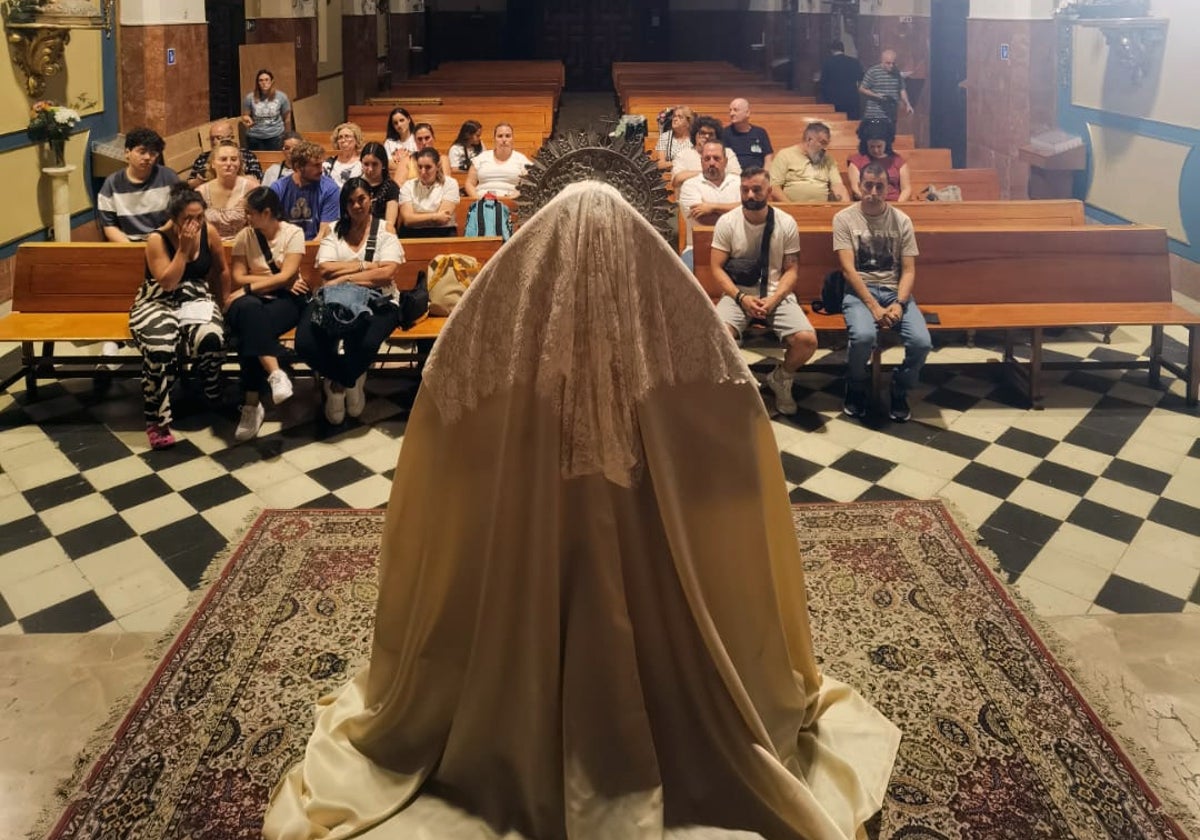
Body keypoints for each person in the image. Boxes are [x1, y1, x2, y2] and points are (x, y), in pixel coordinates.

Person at [262, 180, 899, 840]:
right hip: (637, 516)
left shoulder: (516, 306)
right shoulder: (663, 310)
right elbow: (726, 396)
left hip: (537, 526)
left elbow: (450, 383)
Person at [128, 183, 230, 450]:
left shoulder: (210, 233)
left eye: (199, 217)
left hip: (195, 299)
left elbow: (221, 270)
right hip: (158, 300)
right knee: (159, 347)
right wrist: (183, 250)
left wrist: (224, 303)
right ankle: (157, 419)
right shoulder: (157, 240)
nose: (194, 224)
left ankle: (211, 385)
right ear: (174, 218)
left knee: (212, 336)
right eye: (188, 218)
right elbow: (167, 282)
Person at [297, 178, 404, 425]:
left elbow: (386, 274)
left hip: (379, 300)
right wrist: (366, 266)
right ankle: (349, 377)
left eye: (361, 199)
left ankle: (337, 386)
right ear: (344, 205)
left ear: (371, 200)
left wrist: (344, 276)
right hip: (333, 298)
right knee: (306, 343)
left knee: (365, 343)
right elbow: (324, 268)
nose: (356, 206)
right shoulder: (335, 230)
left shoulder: (385, 230)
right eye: (350, 201)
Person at [711, 168, 817, 416]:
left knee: (806, 341)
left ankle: (781, 377)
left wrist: (775, 298)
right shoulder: (727, 222)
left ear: (769, 191)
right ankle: (740, 384)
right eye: (745, 189)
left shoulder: (785, 222)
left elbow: (791, 270)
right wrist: (741, 297)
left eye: (756, 189)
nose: (750, 194)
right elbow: (716, 268)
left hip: (775, 293)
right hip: (738, 294)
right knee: (718, 337)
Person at [834, 161, 931, 422]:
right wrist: (873, 307)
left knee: (922, 342)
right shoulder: (844, 218)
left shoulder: (901, 220)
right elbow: (848, 270)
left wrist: (899, 303)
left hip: (894, 292)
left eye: (880, 186)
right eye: (868, 185)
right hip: (858, 292)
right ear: (859, 186)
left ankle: (900, 387)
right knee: (864, 337)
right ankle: (855, 385)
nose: (873, 192)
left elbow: (909, 270)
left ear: (888, 188)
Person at [225, 187, 308, 442]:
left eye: (250, 213)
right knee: (249, 311)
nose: (246, 217)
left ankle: (251, 404)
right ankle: (275, 374)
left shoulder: (293, 233)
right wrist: (275, 280)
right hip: (252, 301)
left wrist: (251, 285)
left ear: (267, 212)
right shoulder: (244, 236)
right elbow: (237, 276)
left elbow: (287, 277)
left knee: (248, 329)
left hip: (286, 301)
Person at [97, 127, 180, 242]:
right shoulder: (112, 184)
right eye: (142, 152)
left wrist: (157, 238)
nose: (147, 157)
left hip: (163, 240)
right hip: (128, 244)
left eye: (153, 153)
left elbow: (179, 214)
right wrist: (131, 249)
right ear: (127, 153)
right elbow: (109, 226)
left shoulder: (169, 178)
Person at [677, 138, 739, 254]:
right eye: (707, 158)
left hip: (736, 248)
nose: (711, 163)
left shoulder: (739, 183)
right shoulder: (689, 185)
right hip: (698, 248)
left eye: (716, 158)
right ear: (701, 161)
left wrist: (712, 207)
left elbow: (751, 211)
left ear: (725, 161)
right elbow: (704, 220)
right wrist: (737, 213)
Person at [269, 140, 340, 241]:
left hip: (317, 247)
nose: (321, 170)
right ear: (298, 167)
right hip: (285, 246)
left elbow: (324, 233)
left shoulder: (330, 189)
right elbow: (273, 227)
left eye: (321, 164)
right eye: (316, 165)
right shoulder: (279, 188)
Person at [769, 122, 850, 203]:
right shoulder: (785, 155)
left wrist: (845, 208)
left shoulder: (828, 159)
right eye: (822, 143)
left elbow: (838, 186)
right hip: (790, 208)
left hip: (823, 209)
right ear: (809, 140)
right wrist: (792, 207)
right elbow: (774, 188)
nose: (825, 148)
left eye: (826, 144)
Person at [197, 139, 254, 239]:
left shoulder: (251, 188)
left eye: (233, 159)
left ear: (239, 163)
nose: (229, 163)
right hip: (211, 246)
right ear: (213, 164)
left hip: (244, 245)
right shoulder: (201, 192)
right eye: (223, 159)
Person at [398, 148, 459, 238]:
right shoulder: (408, 185)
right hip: (412, 233)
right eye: (420, 167)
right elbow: (407, 219)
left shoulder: (450, 183)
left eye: (428, 167)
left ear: (438, 166)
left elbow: (443, 219)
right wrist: (434, 216)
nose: (423, 172)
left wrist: (416, 217)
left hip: (443, 232)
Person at [670, 115, 741, 189]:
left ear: (716, 137)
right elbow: (677, 180)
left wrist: (695, 175)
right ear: (695, 135)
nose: (707, 136)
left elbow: (736, 176)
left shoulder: (727, 153)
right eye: (702, 133)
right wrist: (709, 174)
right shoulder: (682, 155)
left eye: (711, 134)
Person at [187, 119, 263, 187]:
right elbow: (189, 183)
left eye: (218, 138)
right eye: (212, 139)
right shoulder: (202, 158)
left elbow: (257, 180)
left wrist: (228, 179)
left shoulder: (247, 155)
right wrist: (198, 181)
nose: (214, 142)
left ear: (230, 137)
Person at [464, 122, 531, 199]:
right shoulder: (481, 158)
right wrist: (477, 199)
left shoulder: (521, 159)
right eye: (500, 136)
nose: (504, 139)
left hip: (510, 201)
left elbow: (529, 184)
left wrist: (513, 197)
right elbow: (469, 183)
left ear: (512, 138)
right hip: (482, 200)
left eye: (508, 136)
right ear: (494, 139)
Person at [848, 124, 911, 202]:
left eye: (879, 146)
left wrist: (898, 205)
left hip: (894, 203)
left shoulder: (898, 160)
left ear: (886, 144)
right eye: (872, 146)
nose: (876, 150)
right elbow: (856, 189)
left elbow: (906, 189)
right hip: (868, 202)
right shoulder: (857, 161)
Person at [241, 68, 293, 151]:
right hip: (255, 136)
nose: (264, 83)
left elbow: (287, 118)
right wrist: (246, 119)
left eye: (266, 80)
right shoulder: (250, 97)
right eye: (261, 80)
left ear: (272, 81)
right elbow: (245, 115)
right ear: (257, 83)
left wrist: (288, 136)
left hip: (275, 136)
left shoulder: (281, 97)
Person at [859, 49, 914, 125]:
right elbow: (862, 88)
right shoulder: (873, 71)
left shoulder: (896, 73)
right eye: (888, 63)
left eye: (893, 63)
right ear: (882, 61)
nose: (891, 66)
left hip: (891, 114)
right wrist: (876, 95)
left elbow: (902, 90)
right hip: (875, 114)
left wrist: (908, 104)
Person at [721, 97, 774, 170]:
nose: (731, 113)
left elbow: (768, 157)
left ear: (747, 113)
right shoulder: (724, 133)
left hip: (758, 175)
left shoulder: (760, 132)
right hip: (735, 176)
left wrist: (765, 175)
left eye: (735, 110)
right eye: (730, 110)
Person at [359, 141, 399, 235]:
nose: (370, 169)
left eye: (375, 164)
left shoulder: (391, 187)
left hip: (382, 234)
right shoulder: (354, 186)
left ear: (383, 165)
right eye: (366, 164)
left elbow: (390, 224)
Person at [819, 41, 864, 120]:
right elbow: (861, 78)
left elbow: (823, 83)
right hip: (851, 99)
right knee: (852, 124)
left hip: (834, 100)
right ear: (843, 49)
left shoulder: (827, 63)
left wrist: (825, 99)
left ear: (832, 50)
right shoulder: (854, 62)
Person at [383, 106, 417, 172]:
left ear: (408, 119)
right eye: (395, 123)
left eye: (402, 120)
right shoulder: (389, 142)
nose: (399, 125)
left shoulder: (417, 139)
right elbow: (388, 164)